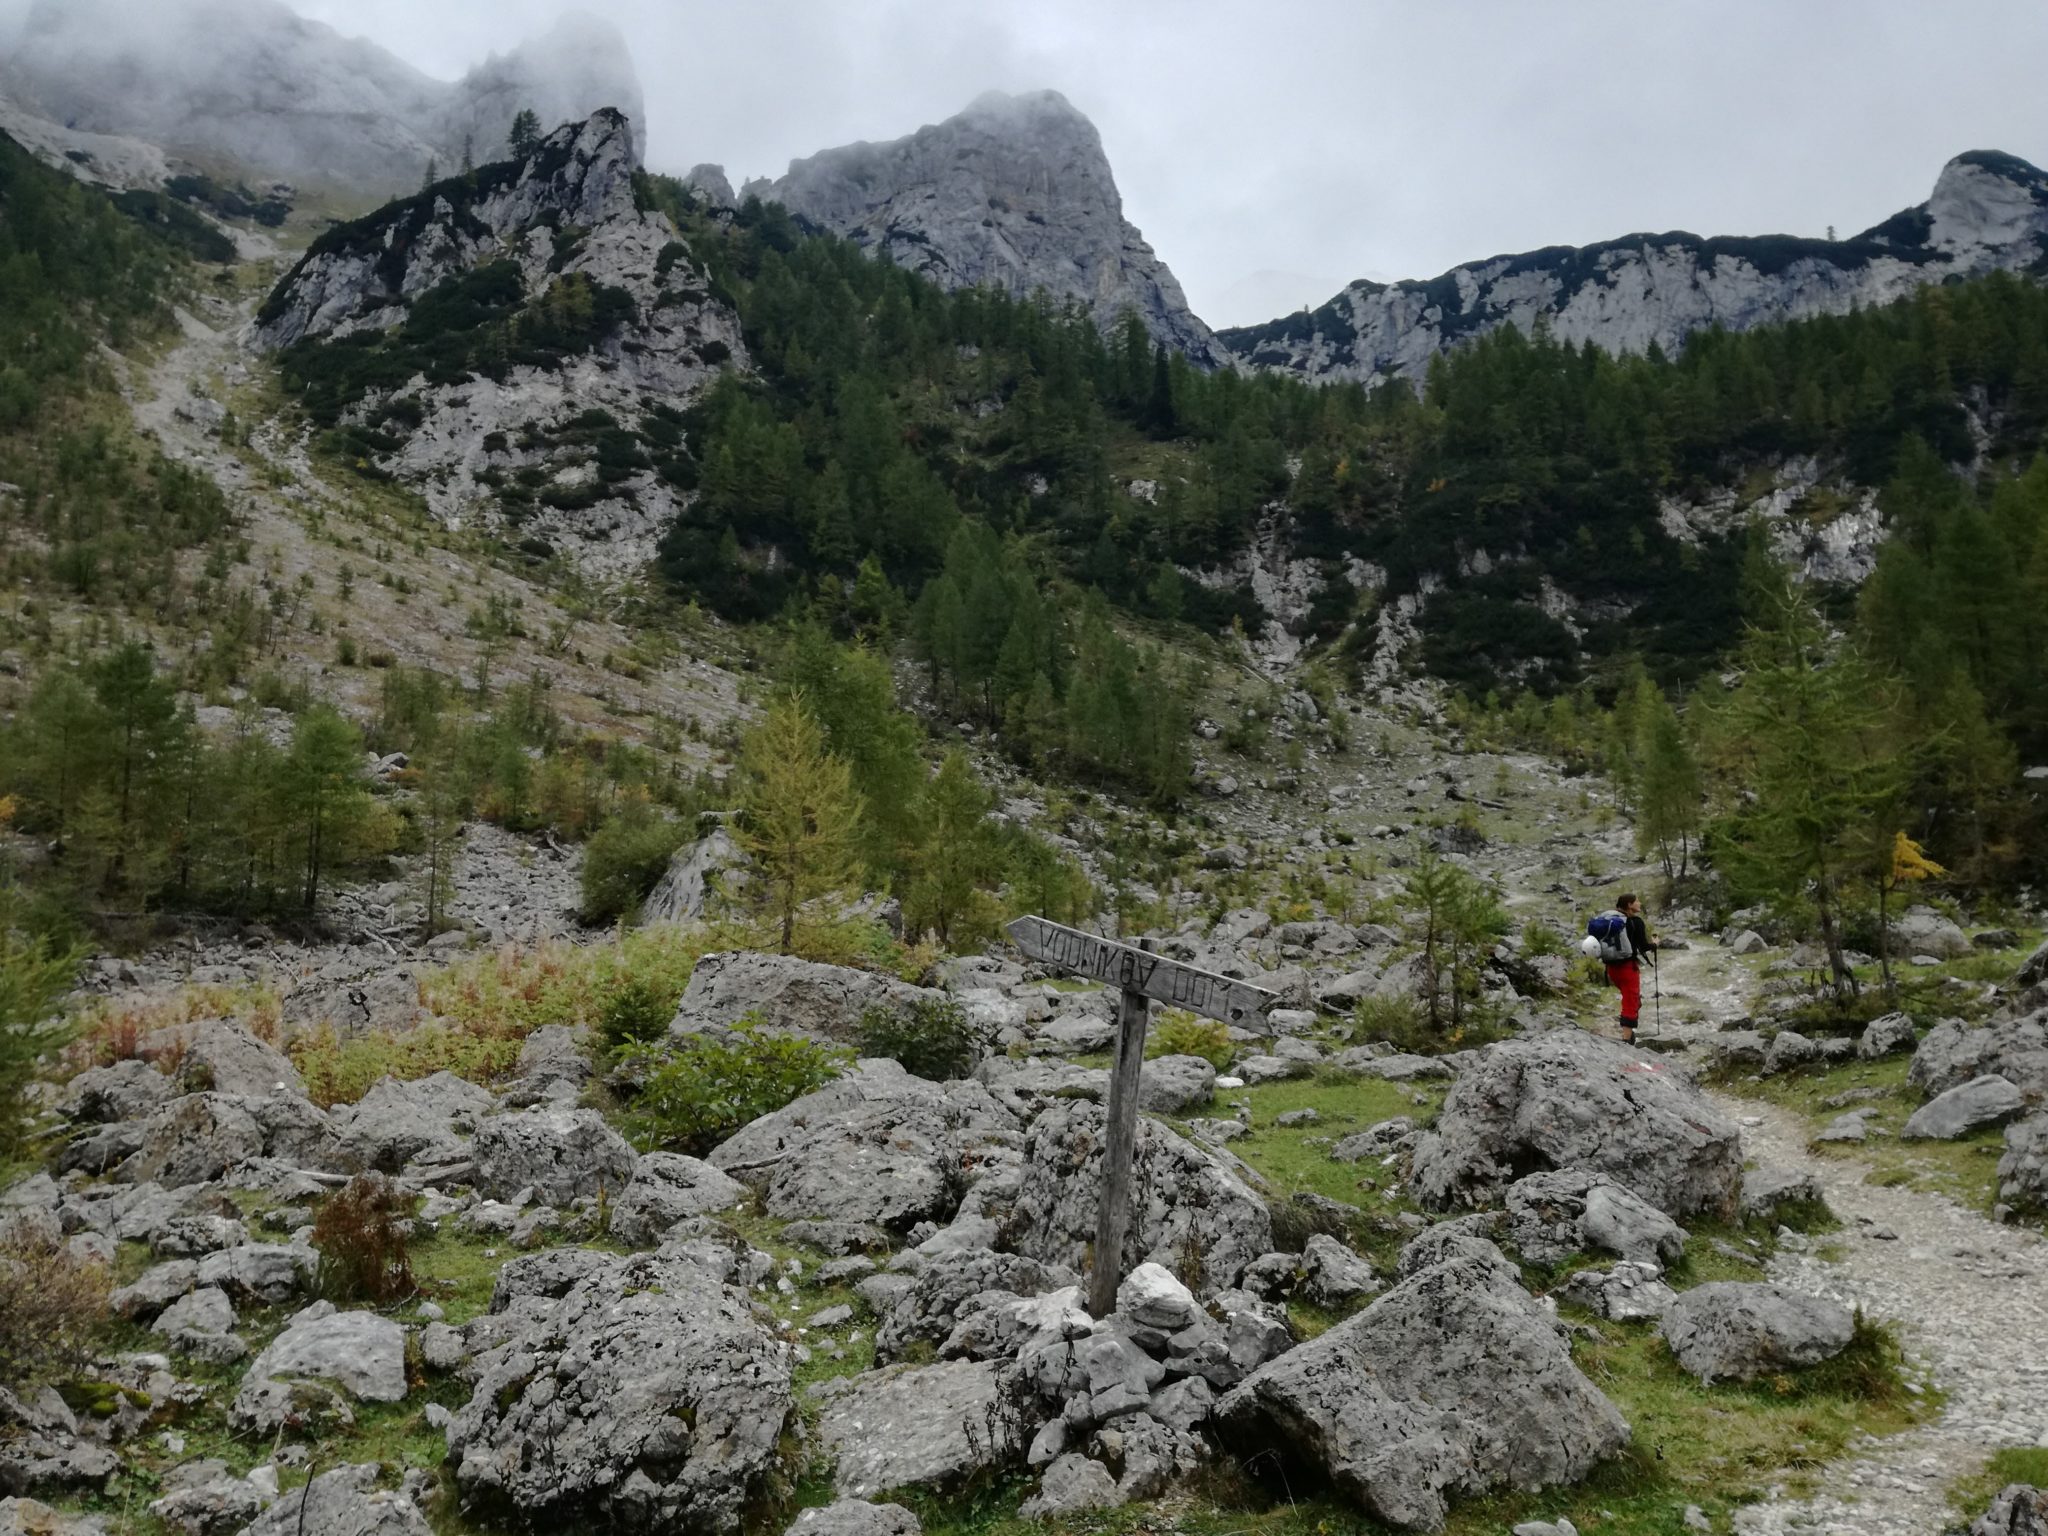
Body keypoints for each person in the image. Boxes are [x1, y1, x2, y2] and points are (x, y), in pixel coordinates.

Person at [1606, 892, 1658, 1044]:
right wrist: (1655, 944)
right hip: (1628, 968)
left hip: (1611, 968)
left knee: (1633, 999)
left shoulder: (1611, 920)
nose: (1640, 903)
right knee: (1631, 1001)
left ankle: (1627, 1029)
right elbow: (1643, 946)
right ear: (1629, 905)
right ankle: (1626, 1040)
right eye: (1637, 901)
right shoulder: (1636, 922)